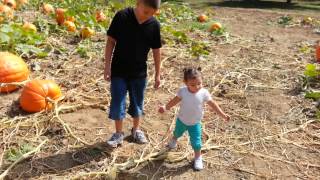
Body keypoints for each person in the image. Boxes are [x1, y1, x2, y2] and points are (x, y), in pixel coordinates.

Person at [104, 0, 162, 148]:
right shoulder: (122, 16)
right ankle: (118, 134)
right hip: (119, 71)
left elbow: (156, 51)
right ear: (138, 3)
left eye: (152, 14)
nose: (148, 16)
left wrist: (157, 74)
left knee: (137, 103)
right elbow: (111, 41)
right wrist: (107, 67)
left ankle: (136, 130)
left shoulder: (154, 25)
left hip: (139, 73)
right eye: (146, 12)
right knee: (118, 101)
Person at [158, 67, 230, 170]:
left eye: (199, 83)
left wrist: (223, 115)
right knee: (177, 132)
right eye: (192, 85)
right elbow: (174, 101)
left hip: (195, 123)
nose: (196, 87)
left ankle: (198, 158)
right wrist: (165, 107)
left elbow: (213, 105)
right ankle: (174, 140)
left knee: (196, 142)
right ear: (185, 83)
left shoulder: (204, 93)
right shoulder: (183, 91)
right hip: (182, 120)